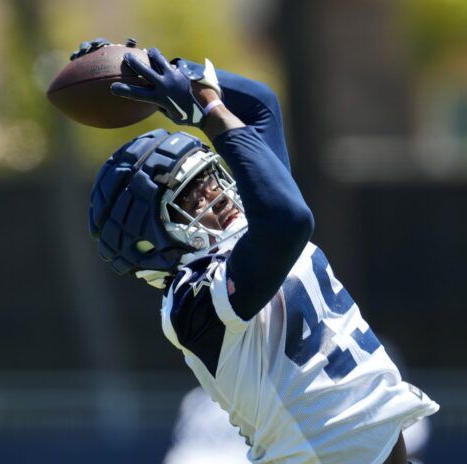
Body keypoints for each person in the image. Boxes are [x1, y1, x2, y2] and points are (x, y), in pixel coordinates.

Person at [79, 38, 439, 464]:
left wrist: (164, 70)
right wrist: (207, 112)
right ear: (154, 238)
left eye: (209, 177)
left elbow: (260, 106)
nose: (215, 193)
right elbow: (290, 219)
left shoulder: (245, 232)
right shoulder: (191, 303)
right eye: (192, 197)